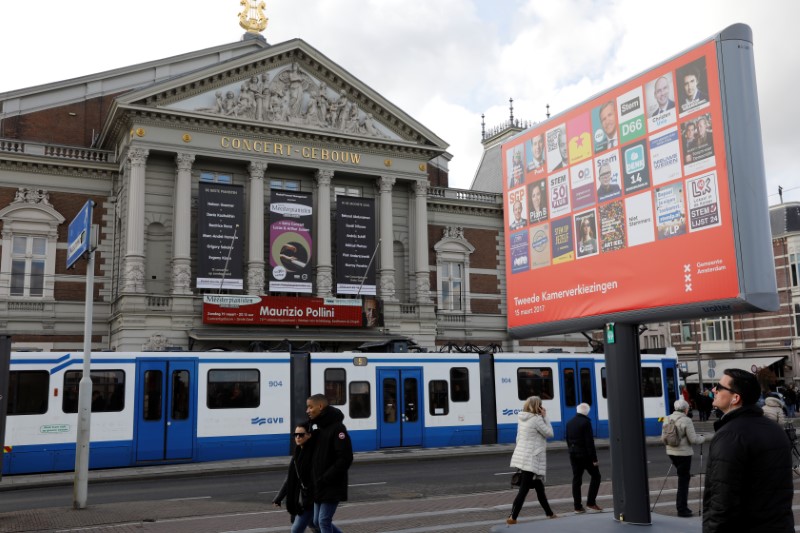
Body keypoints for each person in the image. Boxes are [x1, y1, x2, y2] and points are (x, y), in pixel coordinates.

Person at [702, 369, 793, 532]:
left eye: (719, 387)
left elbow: (722, 500)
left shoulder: (730, 435)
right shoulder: (775, 429)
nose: (714, 390)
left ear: (735, 398)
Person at [507, 396, 558, 524]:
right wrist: (545, 417)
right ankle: (512, 517)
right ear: (538, 407)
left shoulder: (522, 419)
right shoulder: (536, 419)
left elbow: (518, 438)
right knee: (523, 490)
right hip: (532, 458)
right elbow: (550, 434)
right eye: (540, 405)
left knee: (539, 487)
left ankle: (549, 513)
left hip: (524, 456)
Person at [306, 394, 353, 533]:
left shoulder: (338, 429)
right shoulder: (319, 429)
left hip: (331, 484)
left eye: (310, 407)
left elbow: (345, 458)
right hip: (319, 484)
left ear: (320, 406)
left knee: (323, 521)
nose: (307, 410)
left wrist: (326, 478)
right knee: (316, 522)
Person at [273, 422, 319, 533]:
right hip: (302, 499)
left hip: (312, 499)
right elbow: (290, 479)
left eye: (301, 435)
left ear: (309, 435)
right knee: (316, 524)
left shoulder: (315, 453)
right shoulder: (297, 454)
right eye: (295, 435)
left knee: (296, 529)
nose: (297, 437)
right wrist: (279, 498)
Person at [664, 399, 705, 518]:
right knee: (683, 480)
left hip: (671, 453)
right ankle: (682, 509)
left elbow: (663, 437)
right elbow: (693, 440)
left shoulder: (667, 418)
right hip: (684, 455)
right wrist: (702, 438)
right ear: (685, 409)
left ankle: (682, 507)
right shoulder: (686, 420)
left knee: (682, 476)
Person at [565, 403, 602, 513]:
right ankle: (591, 503)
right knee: (596, 476)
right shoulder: (586, 422)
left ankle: (577, 506)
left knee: (577, 479)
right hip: (585, 455)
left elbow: (567, 440)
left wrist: (571, 450)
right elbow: (589, 443)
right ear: (587, 411)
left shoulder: (569, 422)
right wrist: (594, 459)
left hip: (573, 454)